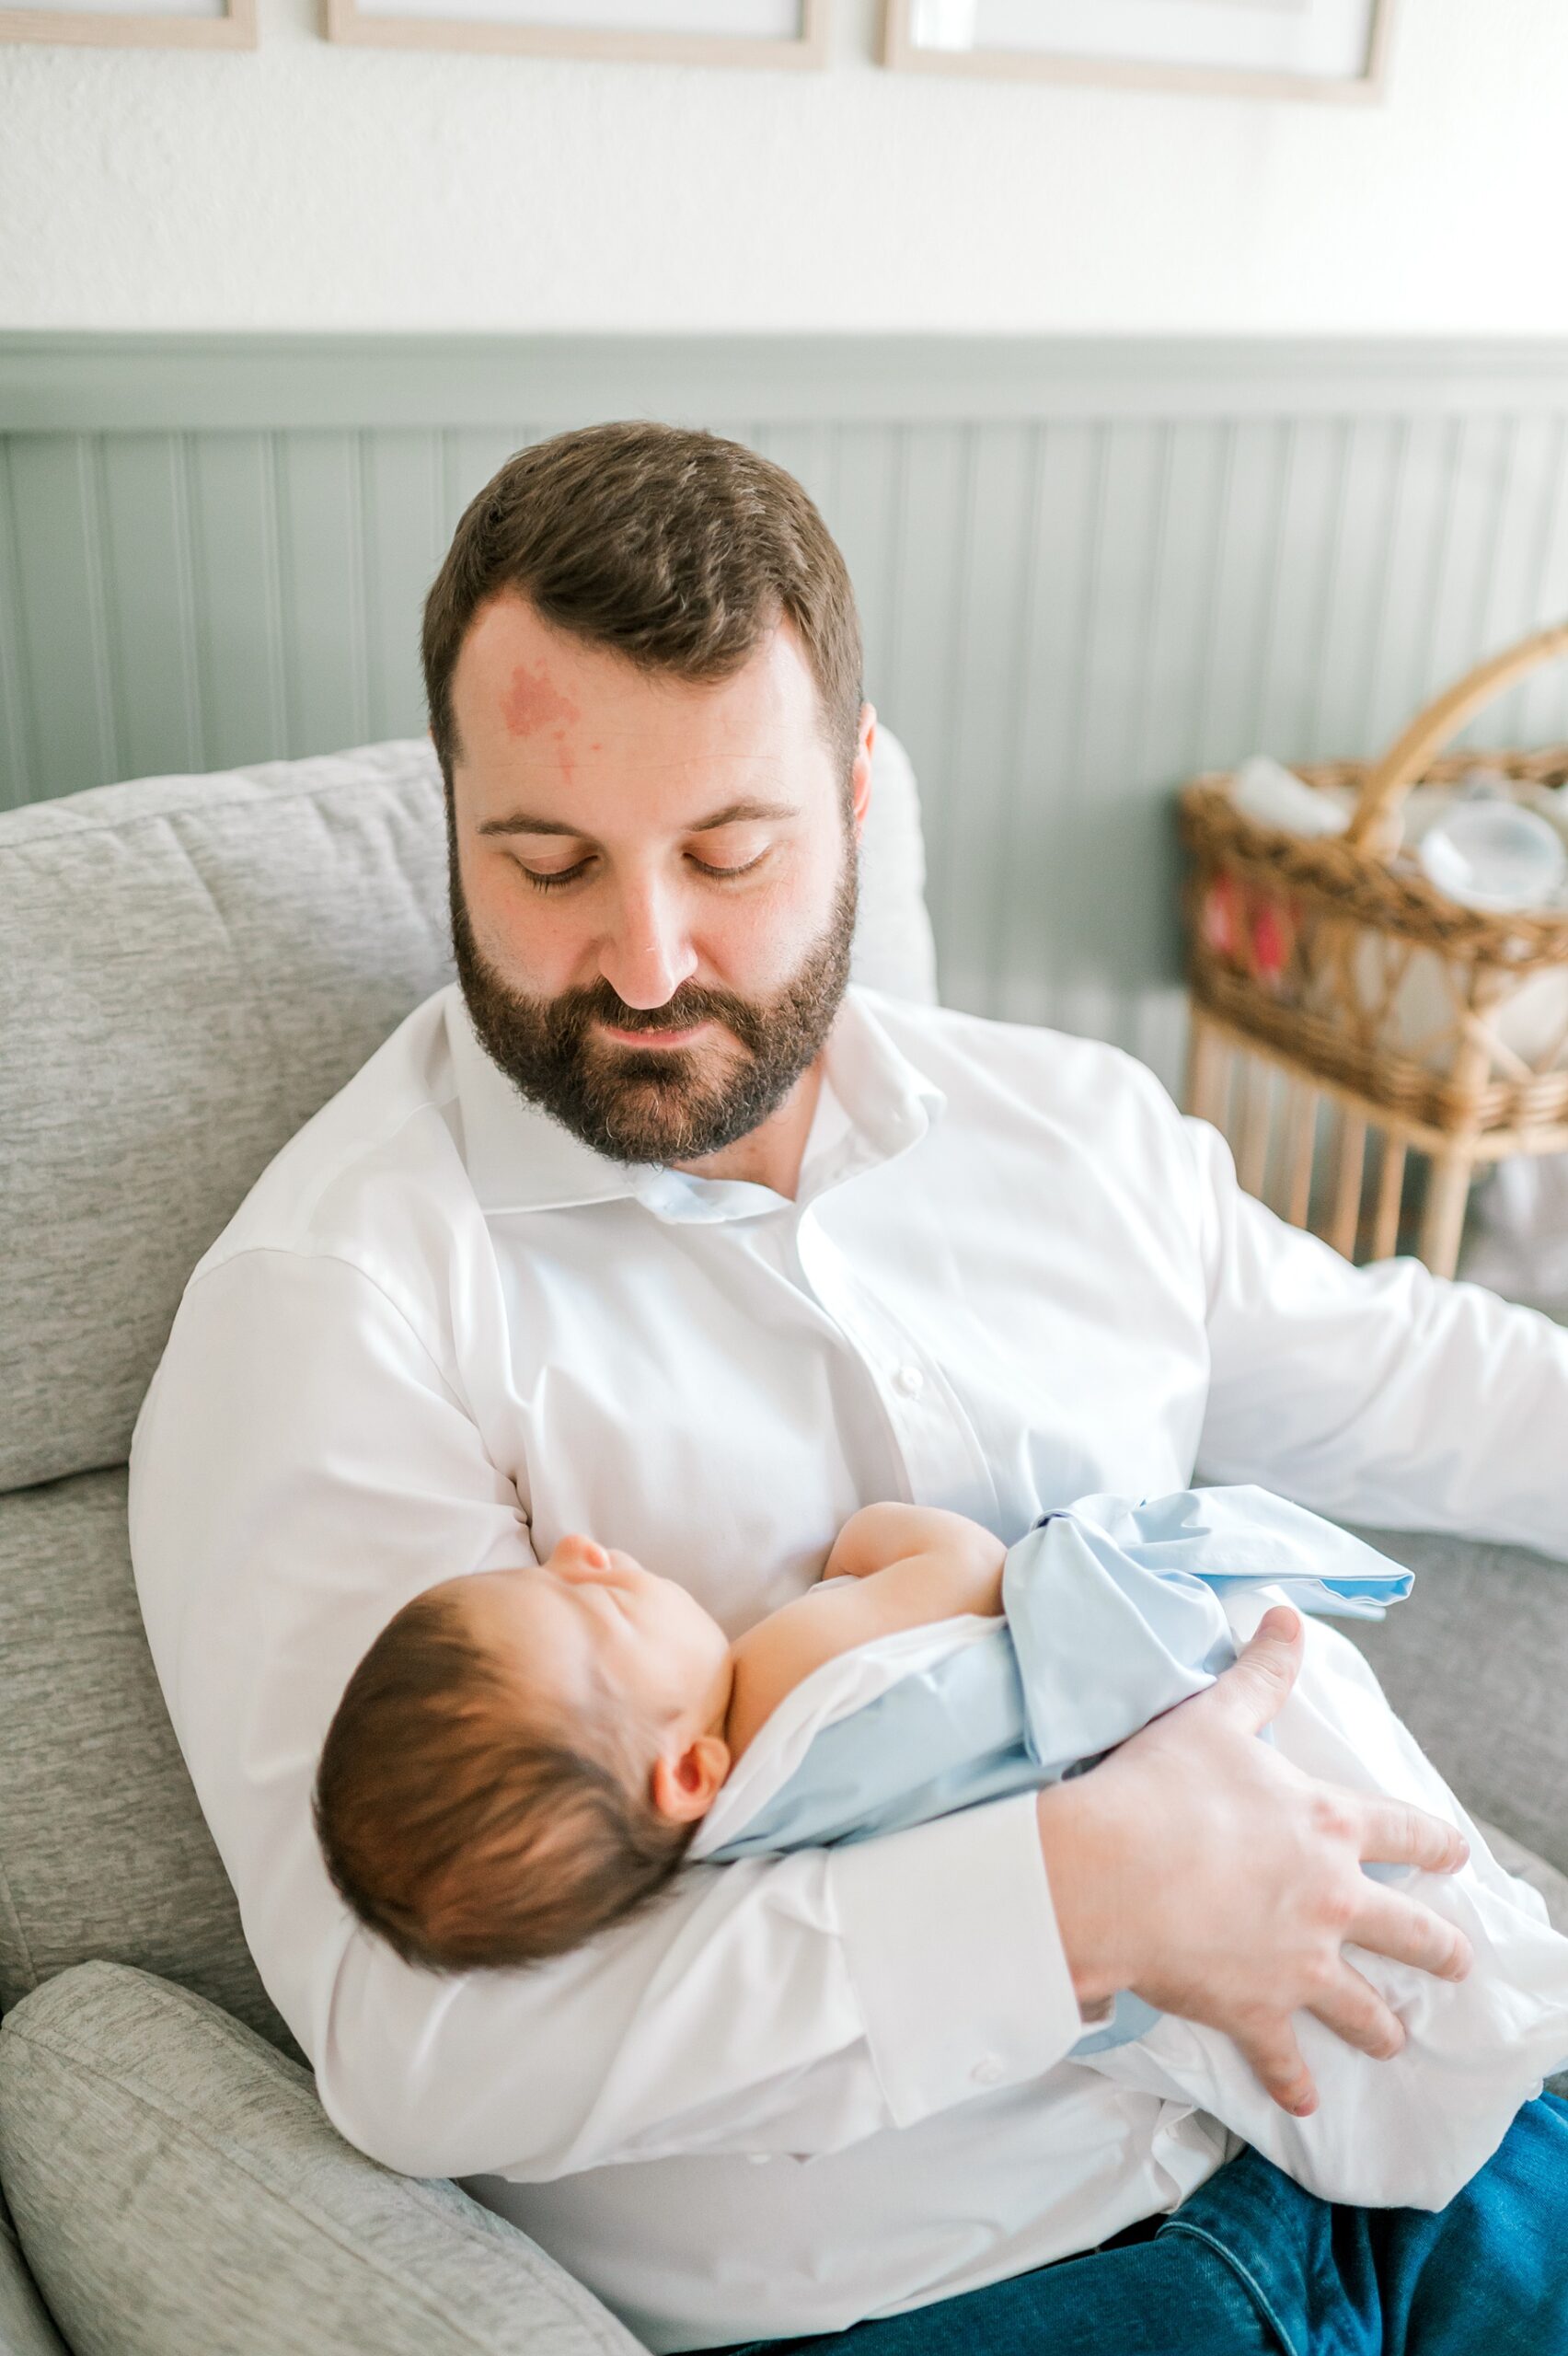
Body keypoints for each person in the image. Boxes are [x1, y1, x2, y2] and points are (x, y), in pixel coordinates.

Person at [128, 420, 1568, 2356]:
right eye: (546, 861)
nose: (643, 958)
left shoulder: (1069, 1129)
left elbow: (1411, 1372)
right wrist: (1073, 1899)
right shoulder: (342, 1308)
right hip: (970, 2286)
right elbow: (423, 2039)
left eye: (731, 853)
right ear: (450, 820)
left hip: (1413, 2118)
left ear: (860, 797)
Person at [308, 1488, 1568, 2216]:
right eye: (588, 1602)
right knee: (1427, 1896)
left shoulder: (727, 1858)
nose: (582, 1551)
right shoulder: (786, 1677)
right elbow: (963, 1567)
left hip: (1197, 2088)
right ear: (690, 1774)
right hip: (1186, 1783)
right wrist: (864, 1540)